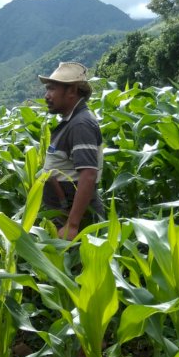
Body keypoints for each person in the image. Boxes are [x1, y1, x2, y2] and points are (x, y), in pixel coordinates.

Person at [38, 62, 104, 240]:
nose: (46, 96)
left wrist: (72, 225)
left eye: (52, 89)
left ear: (72, 91)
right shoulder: (72, 121)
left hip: (75, 221)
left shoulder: (80, 124)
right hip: (63, 214)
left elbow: (88, 175)